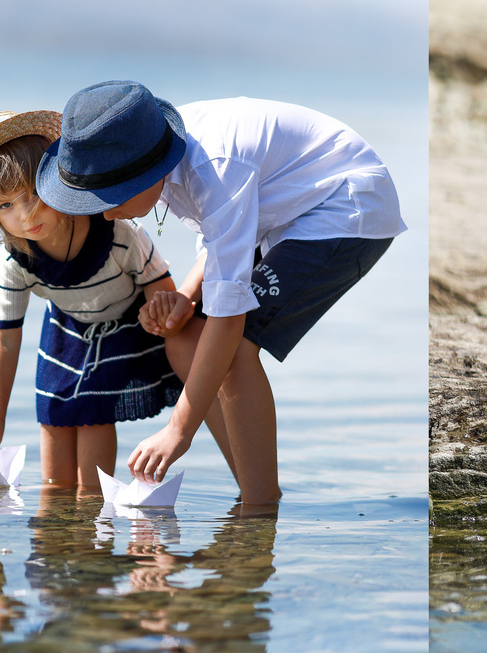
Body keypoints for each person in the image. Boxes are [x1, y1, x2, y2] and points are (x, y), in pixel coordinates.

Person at [33, 81, 406, 508]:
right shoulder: (156, 145)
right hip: (288, 214)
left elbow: (229, 316)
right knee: (184, 338)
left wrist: (178, 431)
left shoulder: (215, 167)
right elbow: (223, 241)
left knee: (237, 349)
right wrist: (185, 297)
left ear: (145, 174)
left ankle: (260, 506)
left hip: (345, 206)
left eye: (108, 198)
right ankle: (252, 492)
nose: (103, 214)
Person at [0, 110, 192, 495]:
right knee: (53, 414)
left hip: (123, 327)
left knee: (93, 417)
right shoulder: (14, 258)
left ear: (56, 182)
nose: (26, 216)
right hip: (65, 326)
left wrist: (157, 311)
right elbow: (5, 338)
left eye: (32, 197)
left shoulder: (116, 231)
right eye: (6, 206)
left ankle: (93, 509)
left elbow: (160, 284)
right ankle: (56, 516)